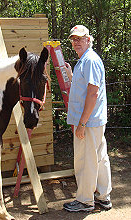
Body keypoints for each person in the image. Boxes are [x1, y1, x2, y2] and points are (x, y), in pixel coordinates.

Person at [63, 25, 112, 212]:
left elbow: (92, 94)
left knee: (86, 160)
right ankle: (103, 197)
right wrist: (71, 75)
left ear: (89, 40)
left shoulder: (90, 60)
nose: (76, 42)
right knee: (99, 158)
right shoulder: (86, 60)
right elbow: (86, 86)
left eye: (80, 39)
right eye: (74, 39)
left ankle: (85, 201)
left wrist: (82, 123)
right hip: (95, 121)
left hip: (88, 122)